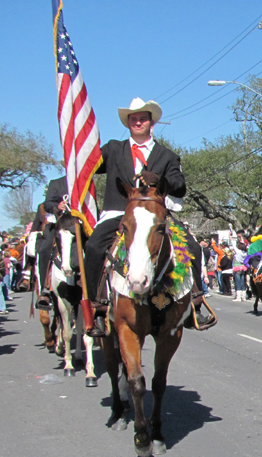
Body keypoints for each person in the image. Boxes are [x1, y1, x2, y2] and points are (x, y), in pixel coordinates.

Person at [84, 98, 211, 336]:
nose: (138, 122)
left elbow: (180, 186)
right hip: (119, 214)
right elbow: (88, 165)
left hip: (155, 215)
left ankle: (196, 303)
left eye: (142, 118)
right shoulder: (113, 149)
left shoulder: (167, 156)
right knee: (93, 247)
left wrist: (158, 180)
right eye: (133, 119)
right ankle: (98, 308)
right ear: (128, 123)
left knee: (192, 247)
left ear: (151, 122)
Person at [35, 176, 68, 310]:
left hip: (80, 224)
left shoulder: (85, 179)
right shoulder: (56, 182)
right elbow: (47, 204)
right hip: (59, 224)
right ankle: (45, 289)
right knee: (45, 250)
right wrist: (58, 206)